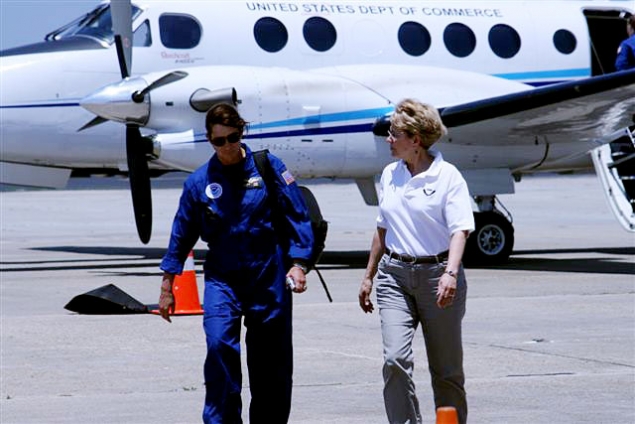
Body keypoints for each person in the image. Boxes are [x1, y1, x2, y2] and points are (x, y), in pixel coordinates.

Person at [158, 103, 314, 424]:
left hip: (268, 276)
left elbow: (298, 214)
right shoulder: (200, 182)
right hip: (223, 279)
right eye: (219, 141)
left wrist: (299, 263)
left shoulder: (268, 167)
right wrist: (166, 285)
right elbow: (181, 234)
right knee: (218, 347)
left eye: (233, 137)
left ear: (242, 133)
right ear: (209, 140)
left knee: (271, 364)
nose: (227, 146)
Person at [358, 99, 474, 424]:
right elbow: (383, 228)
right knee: (394, 360)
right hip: (394, 276)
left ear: (416, 140)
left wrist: (450, 274)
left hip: (438, 276)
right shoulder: (390, 174)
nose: (388, 139)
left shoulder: (447, 177)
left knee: (446, 371)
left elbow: (460, 230)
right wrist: (368, 276)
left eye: (394, 134)